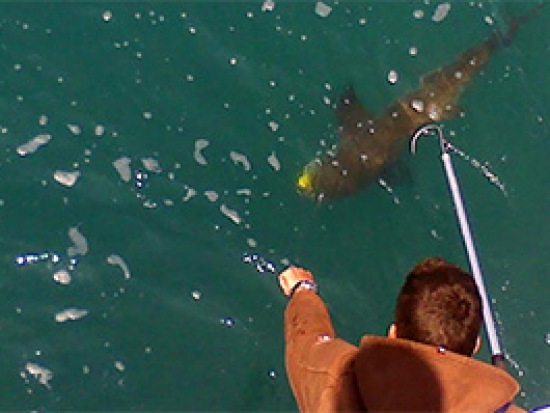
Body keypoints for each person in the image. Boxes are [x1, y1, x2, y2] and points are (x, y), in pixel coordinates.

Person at [279, 257, 525, 412]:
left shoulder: (336, 378)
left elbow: (306, 341)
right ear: (475, 347)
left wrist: (303, 290)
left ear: (393, 333)